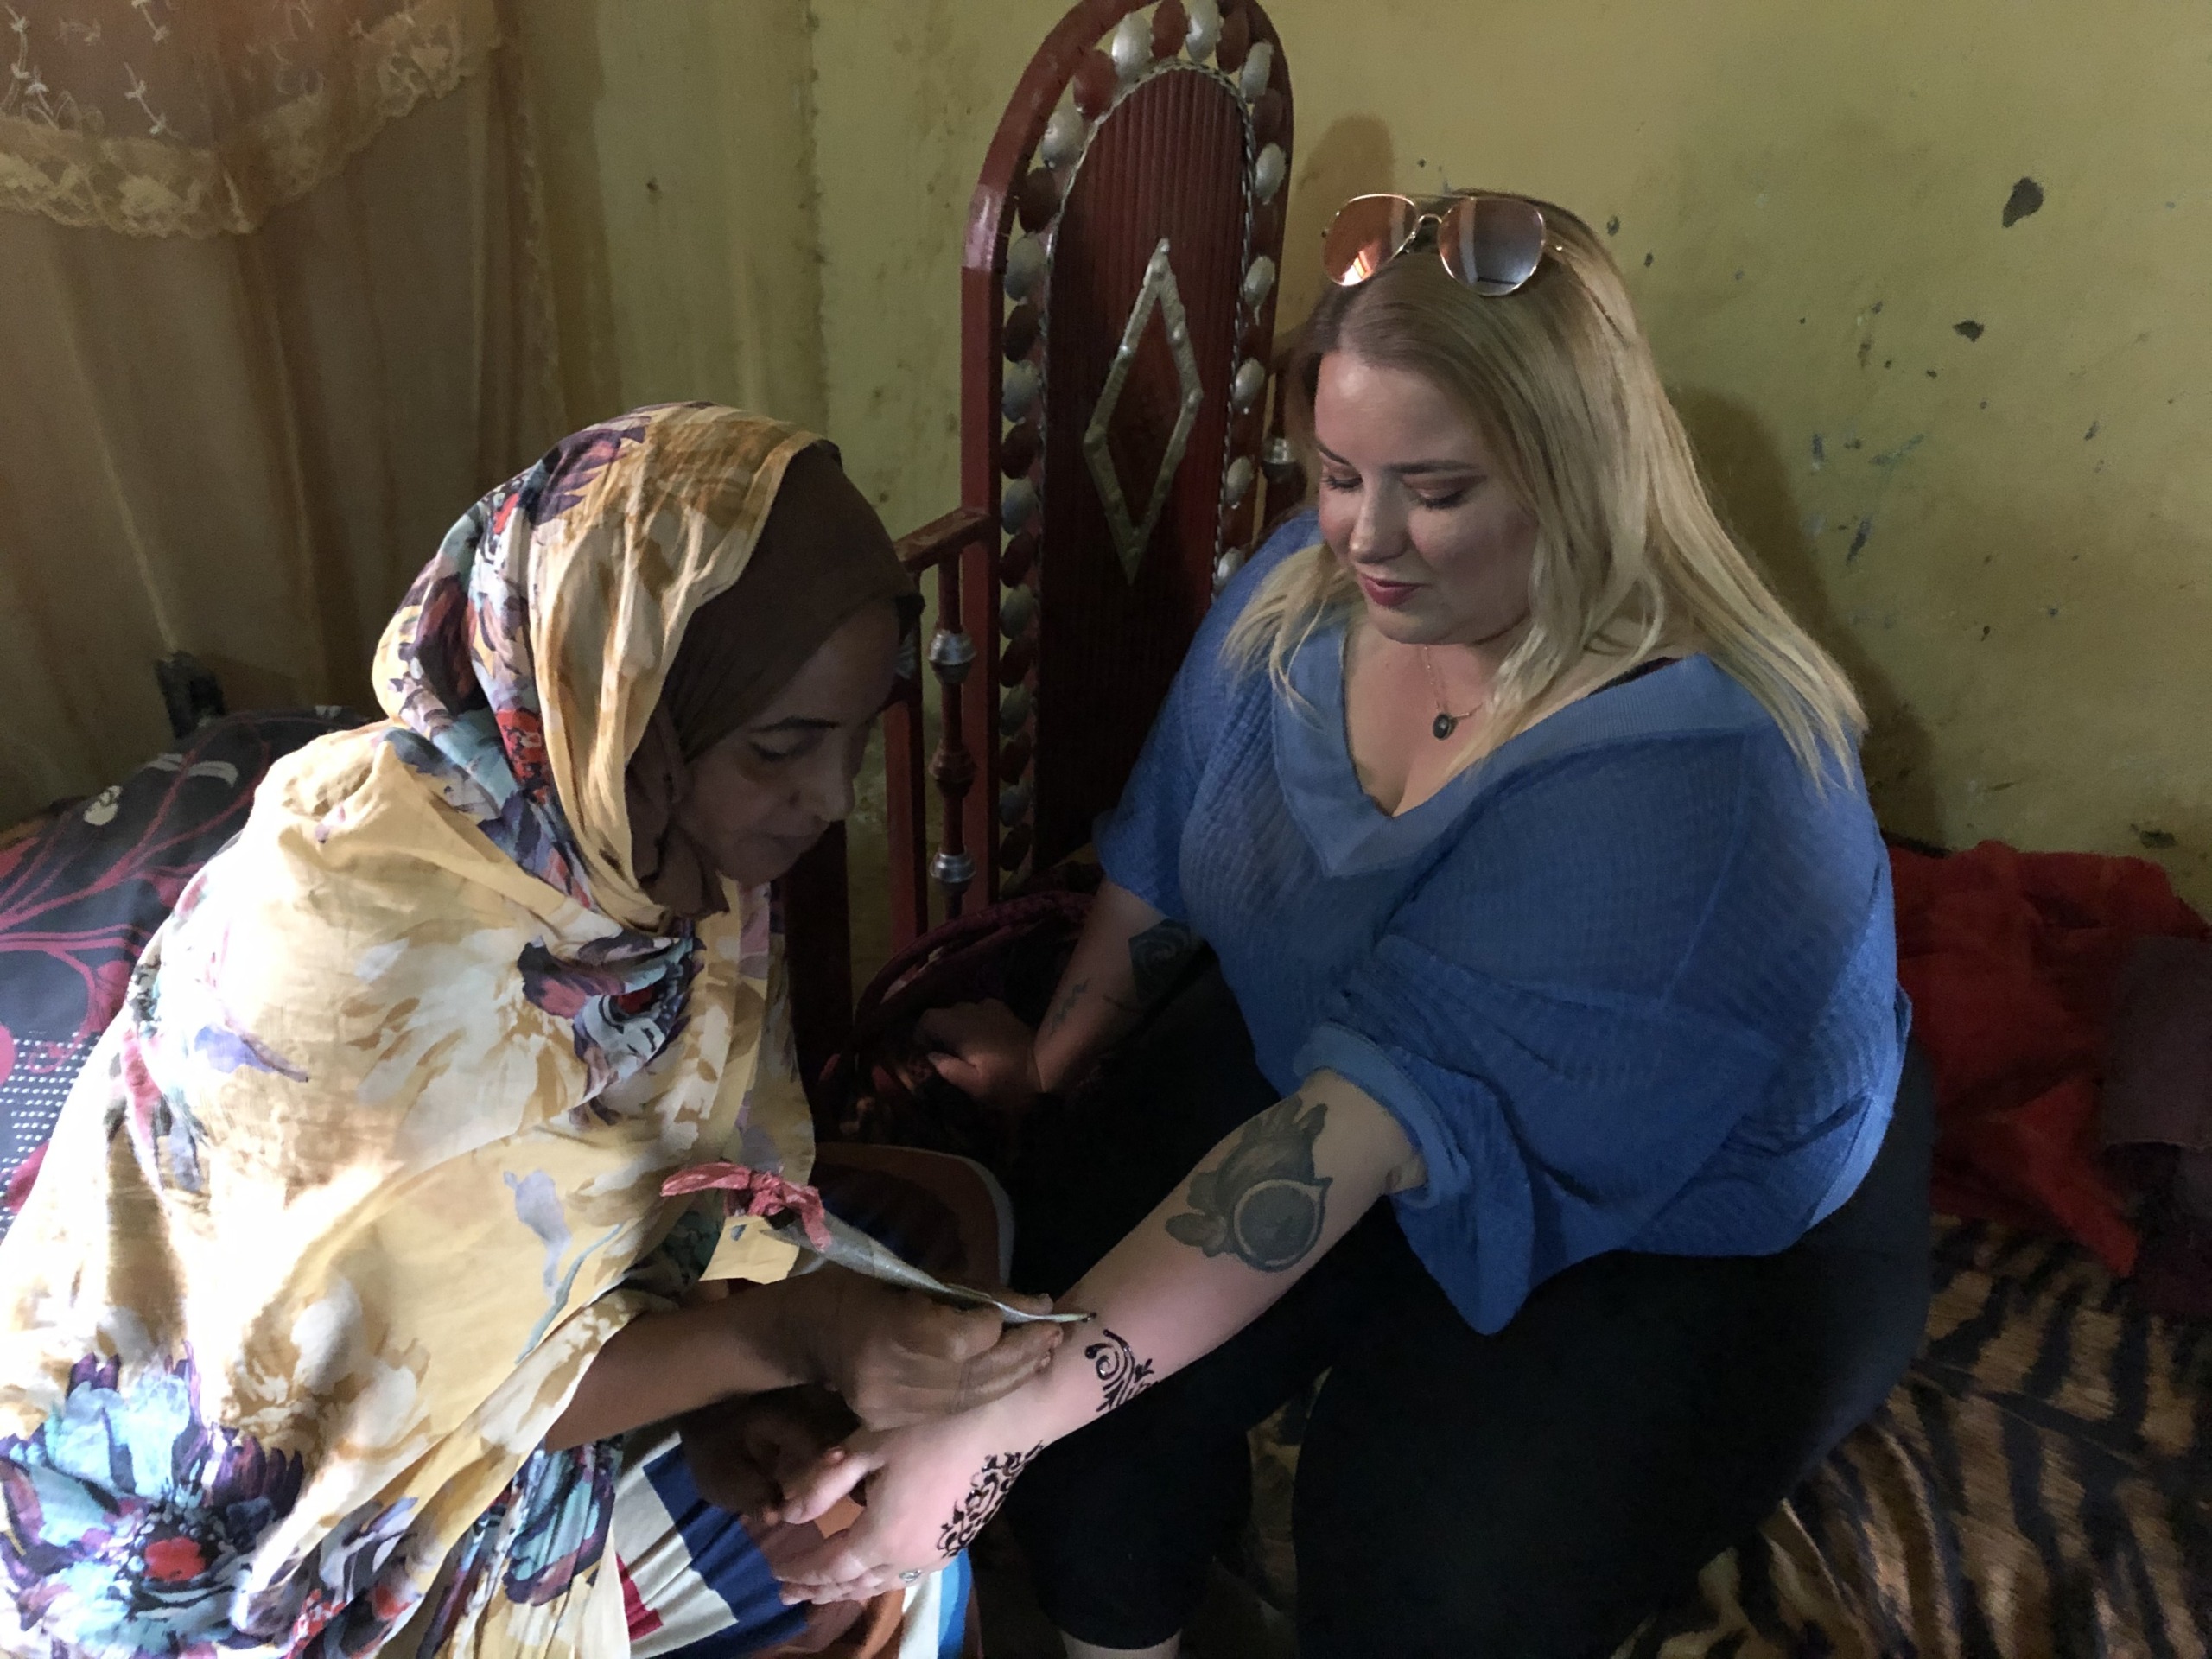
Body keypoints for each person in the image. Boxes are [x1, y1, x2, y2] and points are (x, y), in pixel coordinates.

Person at [765, 194, 1935, 1658]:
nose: (1367, 540)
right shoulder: (1299, 604)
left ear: (1581, 479)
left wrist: (991, 1434)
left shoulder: (1701, 779)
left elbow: (1342, 1141)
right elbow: (1168, 859)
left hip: (1681, 1210)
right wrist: (1060, 1068)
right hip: (1357, 1065)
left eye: (1437, 490)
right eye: (1336, 473)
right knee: (1078, 1381)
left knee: (1414, 1563)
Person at [0, 404, 1063, 1657]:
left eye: (849, 743)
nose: (828, 800)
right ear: (619, 695)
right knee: (885, 1568)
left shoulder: (655, 867)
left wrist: (720, 1403)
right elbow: (397, 1407)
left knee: (885, 1535)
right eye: (783, 746)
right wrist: (781, 1336)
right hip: (217, 1548)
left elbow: (607, 1246)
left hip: (483, 1444)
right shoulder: (364, 951)